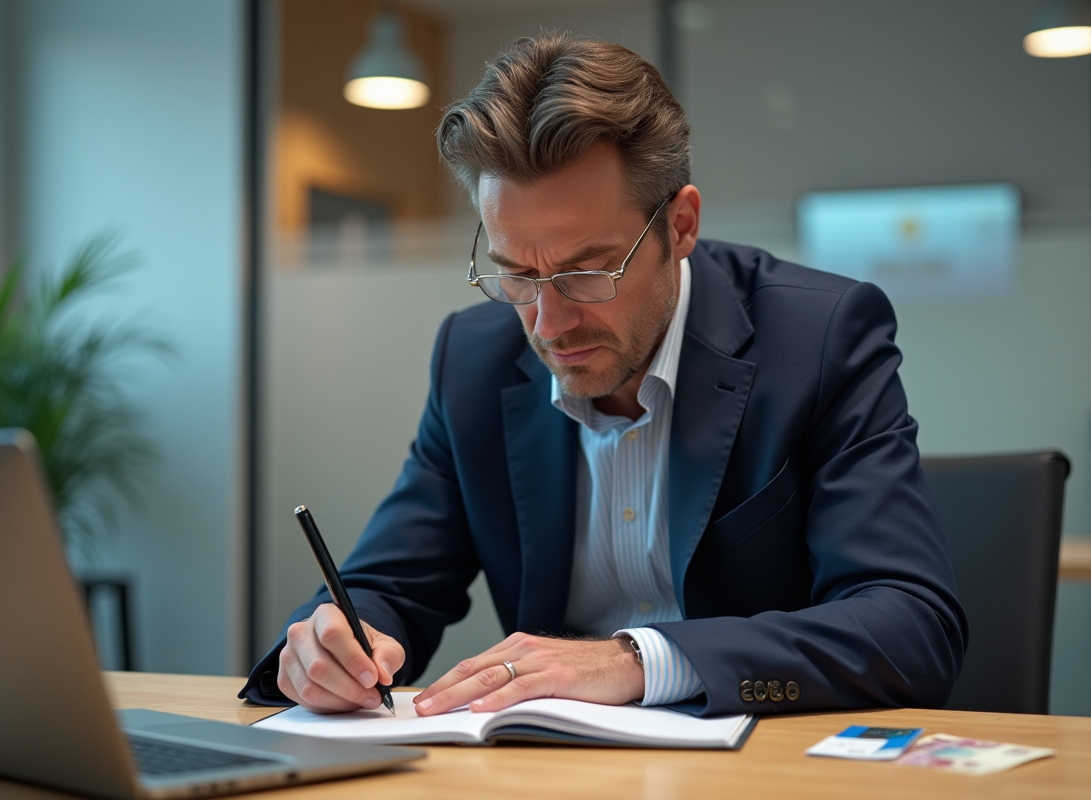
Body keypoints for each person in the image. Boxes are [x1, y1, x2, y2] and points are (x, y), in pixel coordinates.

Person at [241, 33, 967, 718]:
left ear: (680, 227)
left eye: (589, 271)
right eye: (517, 274)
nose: (548, 324)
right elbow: (389, 583)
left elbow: (910, 626)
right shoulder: (474, 357)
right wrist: (335, 640)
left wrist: (638, 661)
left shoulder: (818, 337)